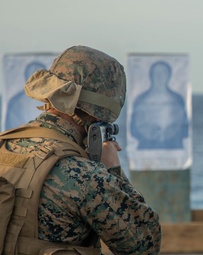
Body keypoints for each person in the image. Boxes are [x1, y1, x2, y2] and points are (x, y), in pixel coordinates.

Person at [1, 46, 161, 254]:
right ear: (97, 118)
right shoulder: (85, 176)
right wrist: (112, 170)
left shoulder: (5, 145)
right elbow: (145, 245)